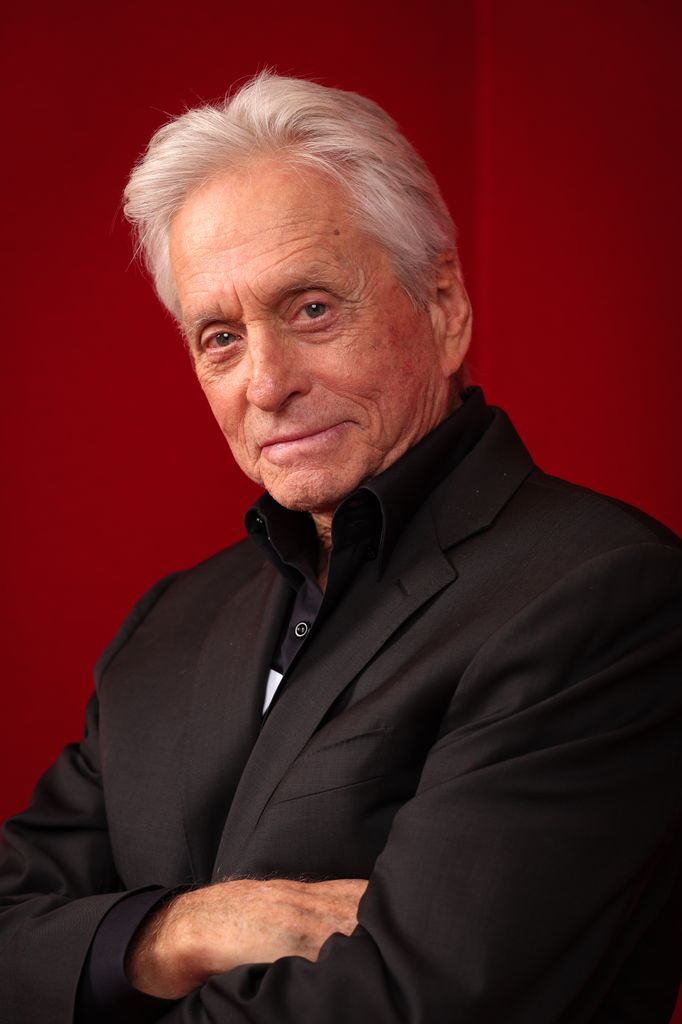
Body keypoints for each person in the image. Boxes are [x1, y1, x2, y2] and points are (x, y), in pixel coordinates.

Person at [1, 71, 680, 1024]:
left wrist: (98, 970)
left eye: (312, 308)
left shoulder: (603, 596)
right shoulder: (170, 625)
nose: (267, 383)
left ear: (443, 308)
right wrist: (182, 931)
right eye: (221, 337)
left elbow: (411, 1004)